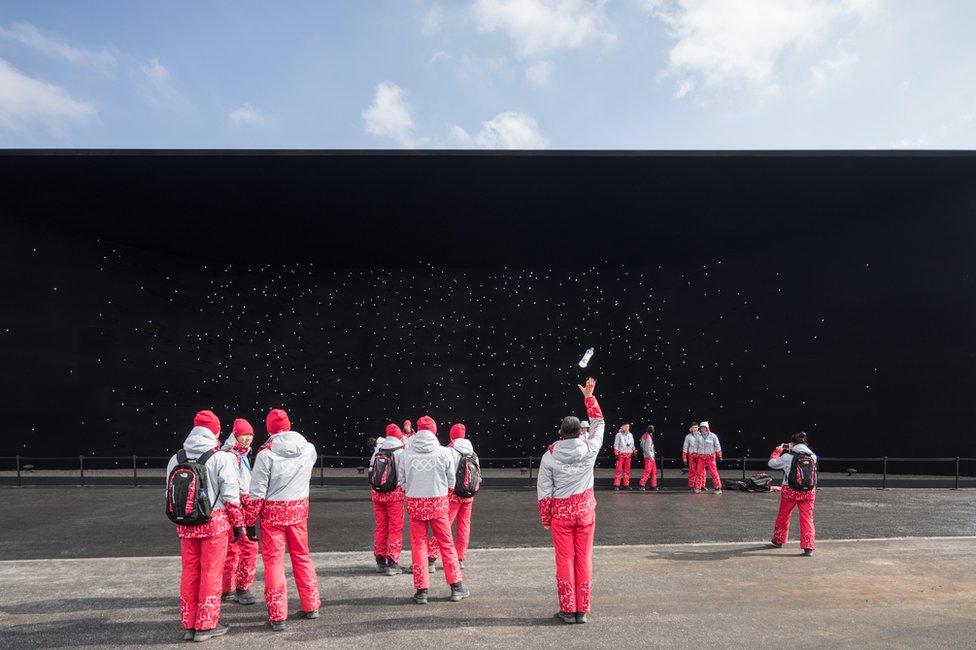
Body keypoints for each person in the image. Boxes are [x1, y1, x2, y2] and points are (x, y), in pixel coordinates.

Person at [166, 410, 243, 642]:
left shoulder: (176, 458)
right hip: (214, 524)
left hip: (186, 524)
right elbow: (231, 496)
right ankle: (206, 625)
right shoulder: (221, 457)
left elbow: (169, 494)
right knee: (211, 572)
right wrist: (238, 525)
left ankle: (189, 624)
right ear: (216, 431)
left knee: (190, 572)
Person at [244, 409, 321, 631]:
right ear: (289, 424)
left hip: (272, 516)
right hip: (298, 511)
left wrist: (250, 520)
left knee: (274, 563)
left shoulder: (265, 455)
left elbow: (257, 492)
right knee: (302, 557)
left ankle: (278, 615)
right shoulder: (308, 449)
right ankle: (311, 605)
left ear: (269, 428)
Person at [537, 377, 605, 624]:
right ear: (580, 432)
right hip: (585, 513)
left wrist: (546, 518)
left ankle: (568, 609)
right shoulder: (590, 448)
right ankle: (582, 610)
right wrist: (589, 397)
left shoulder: (549, 457)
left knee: (564, 559)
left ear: (560, 432)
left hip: (562, 517)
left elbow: (545, 490)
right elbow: (599, 423)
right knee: (584, 558)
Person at [397, 415, 470, 605]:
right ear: (434, 431)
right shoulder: (444, 452)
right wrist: (442, 492)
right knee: (446, 543)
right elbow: (452, 481)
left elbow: (401, 481)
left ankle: (421, 591)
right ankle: (456, 587)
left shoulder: (407, 453)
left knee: (418, 545)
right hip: (438, 503)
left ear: (417, 430)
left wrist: (412, 490)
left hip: (415, 503)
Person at [221, 418, 259, 605]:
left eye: (251, 434)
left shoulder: (237, 454)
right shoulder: (231, 456)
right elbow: (236, 486)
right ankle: (242, 588)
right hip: (237, 506)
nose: (248, 438)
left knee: (232, 549)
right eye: (244, 434)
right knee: (248, 548)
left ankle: (226, 588)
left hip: (231, 506)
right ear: (235, 435)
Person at [768, 432, 818, 556]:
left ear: (792, 443)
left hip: (790, 491)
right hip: (808, 492)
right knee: (807, 519)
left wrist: (778, 450)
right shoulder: (813, 456)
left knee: (784, 516)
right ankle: (808, 547)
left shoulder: (787, 457)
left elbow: (771, 463)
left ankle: (779, 540)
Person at [369, 423, 406, 575]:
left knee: (381, 527)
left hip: (377, 494)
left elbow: (371, 470)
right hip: (394, 495)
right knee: (395, 527)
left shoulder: (378, 450)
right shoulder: (402, 451)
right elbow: (404, 474)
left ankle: (380, 560)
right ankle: (393, 562)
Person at [698, 421, 723, 494]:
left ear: (707, 428)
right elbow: (696, 447)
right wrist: (696, 456)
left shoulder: (713, 436)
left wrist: (719, 455)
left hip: (710, 457)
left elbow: (717, 445)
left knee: (713, 472)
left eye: (704, 427)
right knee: (699, 473)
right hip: (701, 457)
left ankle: (718, 488)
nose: (702, 429)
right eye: (701, 428)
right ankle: (698, 487)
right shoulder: (698, 436)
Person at [612, 423, 637, 491]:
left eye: (628, 426)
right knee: (619, 470)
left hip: (628, 454)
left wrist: (634, 450)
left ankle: (626, 484)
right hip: (621, 454)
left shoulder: (630, 435)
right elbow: (616, 444)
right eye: (626, 426)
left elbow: (632, 444)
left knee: (627, 470)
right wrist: (616, 454)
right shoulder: (619, 435)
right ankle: (617, 485)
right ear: (622, 426)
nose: (627, 427)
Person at [682, 423, 702, 492]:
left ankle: (701, 485)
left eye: (696, 427)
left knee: (701, 471)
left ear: (698, 428)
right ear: (691, 428)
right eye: (693, 427)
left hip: (700, 455)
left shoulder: (701, 435)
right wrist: (684, 457)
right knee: (692, 471)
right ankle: (691, 485)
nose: (695, 429)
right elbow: (685, 447)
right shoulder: (688, 437)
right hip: (691, 455)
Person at [638, 425, 658, 491]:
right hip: (649, 457)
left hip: (650, 456)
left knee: (653, 471)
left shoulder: (644, 435)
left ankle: (653, 485)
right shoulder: (648, 437)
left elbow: (641, 445)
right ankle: (642, 484)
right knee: (648, 471)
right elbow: (647, 448)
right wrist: (650, 457)